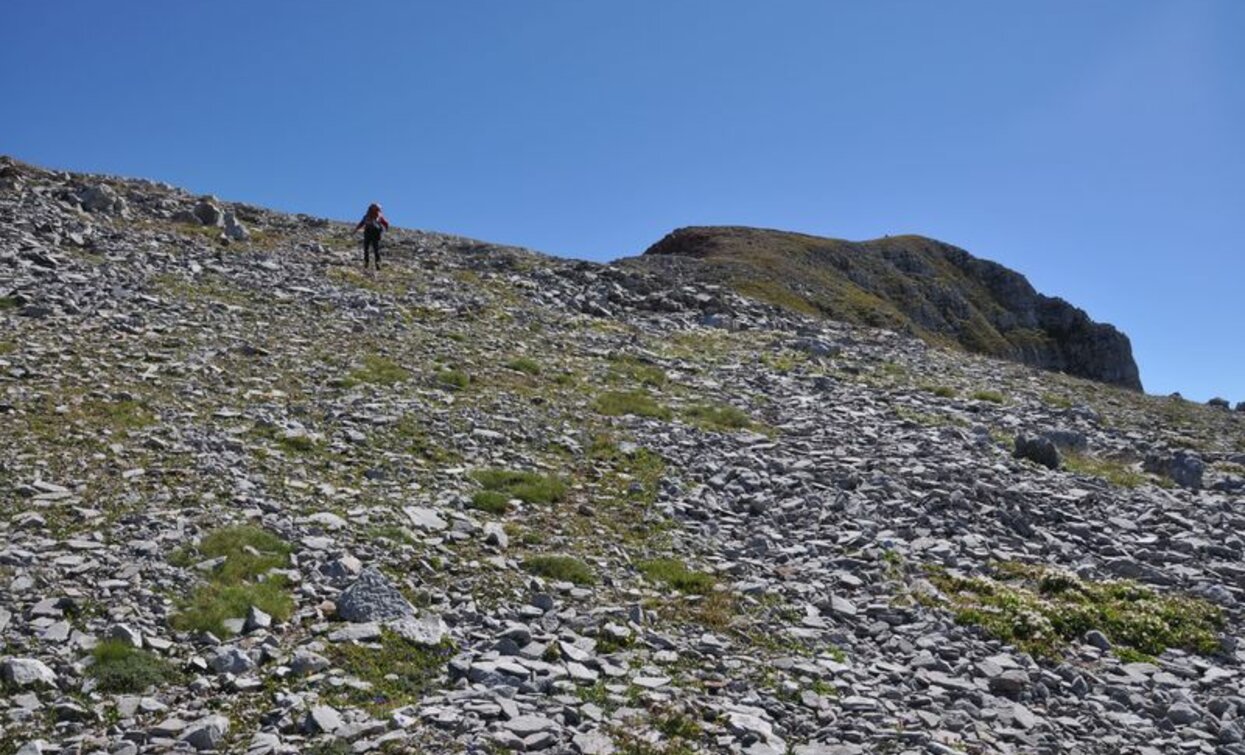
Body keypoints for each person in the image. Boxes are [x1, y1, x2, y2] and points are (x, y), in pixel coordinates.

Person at [353, 203, 390, 270]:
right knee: (370, 249)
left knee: (372, 249)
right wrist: (356, 229)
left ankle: (373, 264)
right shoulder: (370, 216)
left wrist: (356, 229)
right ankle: (370, 263)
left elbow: (386, 223)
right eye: (376, 209)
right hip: (371, 233)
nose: (377, 211)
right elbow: (386, 223)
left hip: (372, 233)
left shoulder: (376, 216)